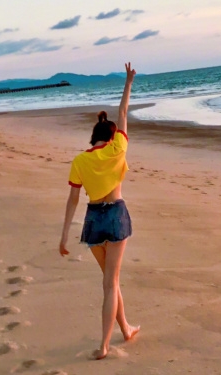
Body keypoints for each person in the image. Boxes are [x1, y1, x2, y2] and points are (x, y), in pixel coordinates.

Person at [59, 63, 140, 360]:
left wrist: (64, 236)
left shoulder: (80, 160)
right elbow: (122, 113)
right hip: (116, 215)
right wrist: (128, 82)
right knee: (111, 283)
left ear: (93, 137)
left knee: (110, 280)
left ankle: (126, 329)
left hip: (93, 220)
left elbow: (72, 201)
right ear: (111, 135)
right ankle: (105, 345)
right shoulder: (118, 147)